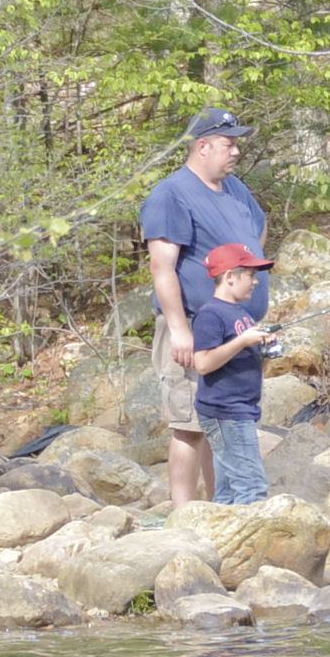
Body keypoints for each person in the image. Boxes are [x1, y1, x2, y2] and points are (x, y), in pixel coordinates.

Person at [140, 107, 270, 506]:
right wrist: (179, 328)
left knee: (223, 422)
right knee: (190, 426)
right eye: (228, 144)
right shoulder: (171, 194)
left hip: (236, 327)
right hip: (195, 326)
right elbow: (161, 267)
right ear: (202, 146)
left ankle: (221, 508)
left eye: (236, 144)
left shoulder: (235, 189)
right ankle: (183, 515)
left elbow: (259, 228)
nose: (236, 152)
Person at [192, 243, 278, 504]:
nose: (255, 283)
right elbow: (203, 363)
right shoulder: (210, 315)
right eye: (250, 275)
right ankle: (251, 543)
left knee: (228, 491)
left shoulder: (241, 313)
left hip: (239, 409)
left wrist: (265, 349)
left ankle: (218, 540)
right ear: (230, 276)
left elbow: (241, 359)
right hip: (226, 412)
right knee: (252, 487)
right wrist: (242, 342)